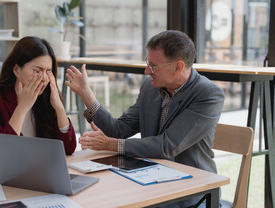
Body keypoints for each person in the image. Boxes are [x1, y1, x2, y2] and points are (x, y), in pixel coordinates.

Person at [65, 30, 225, 208]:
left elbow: (167, 145)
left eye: (153, 66)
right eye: (147, 63)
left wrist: (109, 144)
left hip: (193, 194)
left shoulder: (208, 94)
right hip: (149, 181)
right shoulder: (150, 88)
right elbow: (119, 130)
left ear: (178, 67)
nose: (147, 71)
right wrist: (86, 94)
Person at [0, 36, 76, 168]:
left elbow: (68, 149)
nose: (44, 79)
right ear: (16, 70)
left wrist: (59, 108)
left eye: (48, 71)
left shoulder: (46, 98)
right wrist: (22, 107)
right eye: (37, 71)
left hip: (32, 175)